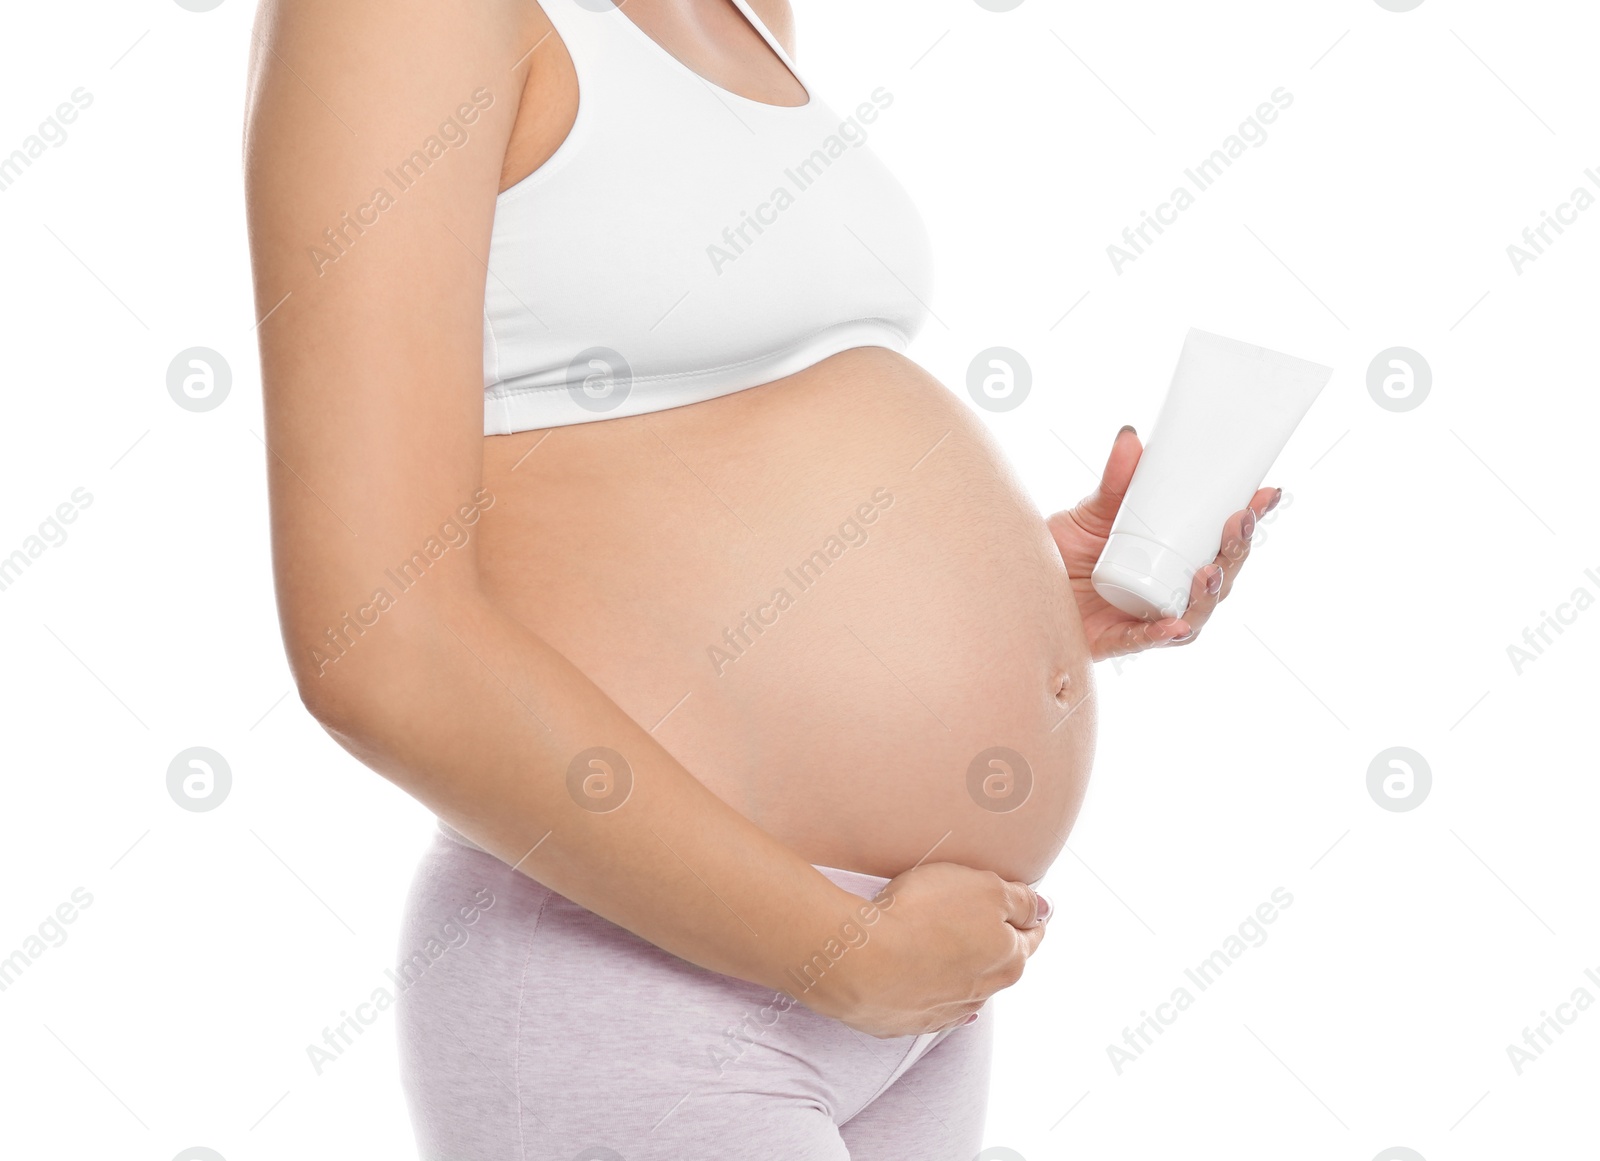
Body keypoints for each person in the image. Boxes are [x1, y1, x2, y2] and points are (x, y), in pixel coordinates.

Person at [243, 0, 1275, 1155]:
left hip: (910, 991)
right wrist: (843, 953)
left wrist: (1033, 590)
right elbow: (378, 649)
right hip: (641, 981)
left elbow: (676, 473)